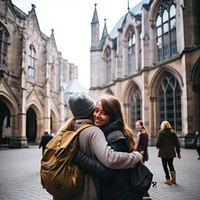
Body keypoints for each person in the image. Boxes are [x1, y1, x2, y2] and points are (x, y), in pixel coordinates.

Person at [54, 92, 142, 200]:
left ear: (113, 115)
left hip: (117, 194)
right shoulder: (101, 131)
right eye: (96, 110)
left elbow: (106, 170)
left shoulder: (114, 135)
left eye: (104, 113)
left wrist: (75, 154)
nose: (97, 115)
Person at [156, 120, 181, 185]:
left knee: (165, 166)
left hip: (163, 152)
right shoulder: (173, 133)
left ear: (162, 126)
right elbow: (177, 144)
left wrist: (157, 146)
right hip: (171, 152)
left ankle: (168, 179)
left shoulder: (160, 133)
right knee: (171, 164)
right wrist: (178, 153)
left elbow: (158, 143)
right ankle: (174, 180)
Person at [135, 120, 151, 199]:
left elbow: (145, 144)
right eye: (136, 125)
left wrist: (142, 152)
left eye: (138, 125)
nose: (137, 126)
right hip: (139, 153)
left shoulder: (143, 134)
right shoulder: (140, 133)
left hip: (141, 154)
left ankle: (145, 191)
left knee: (140, 170)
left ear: (142, 126)